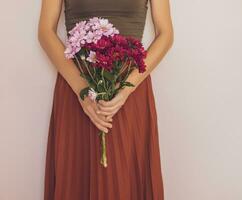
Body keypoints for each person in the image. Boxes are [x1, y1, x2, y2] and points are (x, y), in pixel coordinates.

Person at [38, 0, 173, 199]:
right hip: (77, 82)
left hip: (129, 85)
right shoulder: (80, 89)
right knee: (77, 174)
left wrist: (127, 88)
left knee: (124, 174)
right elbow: (45, 31)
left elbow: (166, 33)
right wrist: (83, 91)